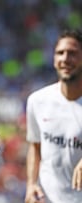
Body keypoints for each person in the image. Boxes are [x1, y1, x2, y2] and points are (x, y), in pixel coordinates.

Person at [25, 29, 82, 203]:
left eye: (72, 53)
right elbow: (35, 147)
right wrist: (31, 185)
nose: (65, 59)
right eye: (60, 53)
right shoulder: (37, 101)